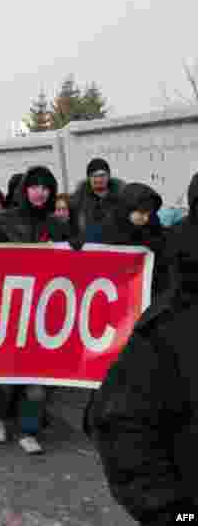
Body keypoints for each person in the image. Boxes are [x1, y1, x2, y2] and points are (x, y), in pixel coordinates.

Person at [86, 174, 198, 523]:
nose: (143, 217)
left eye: (148, 212)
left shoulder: (162, 240)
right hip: (124, 328)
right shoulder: (167, 333)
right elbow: (126, 430)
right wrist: (178, 516)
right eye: (138, 211)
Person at [0, 166, 73, 455]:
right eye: (34, 186)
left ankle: (29, 431)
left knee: (38, 379)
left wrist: (78, 248)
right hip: (9, 309)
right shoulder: (3, 222)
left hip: (44, 311)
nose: (40, 192)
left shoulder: (58, 226)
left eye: (45, 187)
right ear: (25, 190)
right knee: (6, 375)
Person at [86, 183, 169, 297]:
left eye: (149, 214)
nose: (145, 218)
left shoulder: (155, 230)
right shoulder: (105, 231)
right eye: (141, 212)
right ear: (128, 208)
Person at [71, 158, 123, 235]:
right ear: (88, 178)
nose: (98, 180)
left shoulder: (122, 197)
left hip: (115, 240)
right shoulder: (78, 200)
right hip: (88, 241)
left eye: (102, 175)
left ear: (108, 176)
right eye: (94, 176)